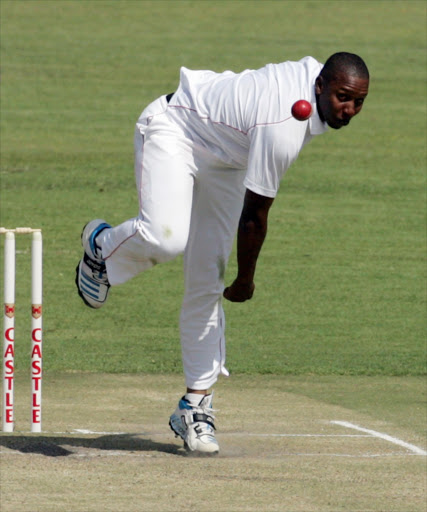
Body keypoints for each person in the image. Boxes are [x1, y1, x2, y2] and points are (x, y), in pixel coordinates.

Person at [76, 52, 369, 454]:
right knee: (165, 239)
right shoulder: (284, 123)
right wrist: (246, 279)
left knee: (206, 279)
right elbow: (254, 216)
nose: (349, 110)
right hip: (176, 129)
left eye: (357, 102)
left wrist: (233, 277)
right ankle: (101, 246)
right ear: (319, 86)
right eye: (342, 97)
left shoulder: (318, 79)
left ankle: (195, 406)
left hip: (228, 160)